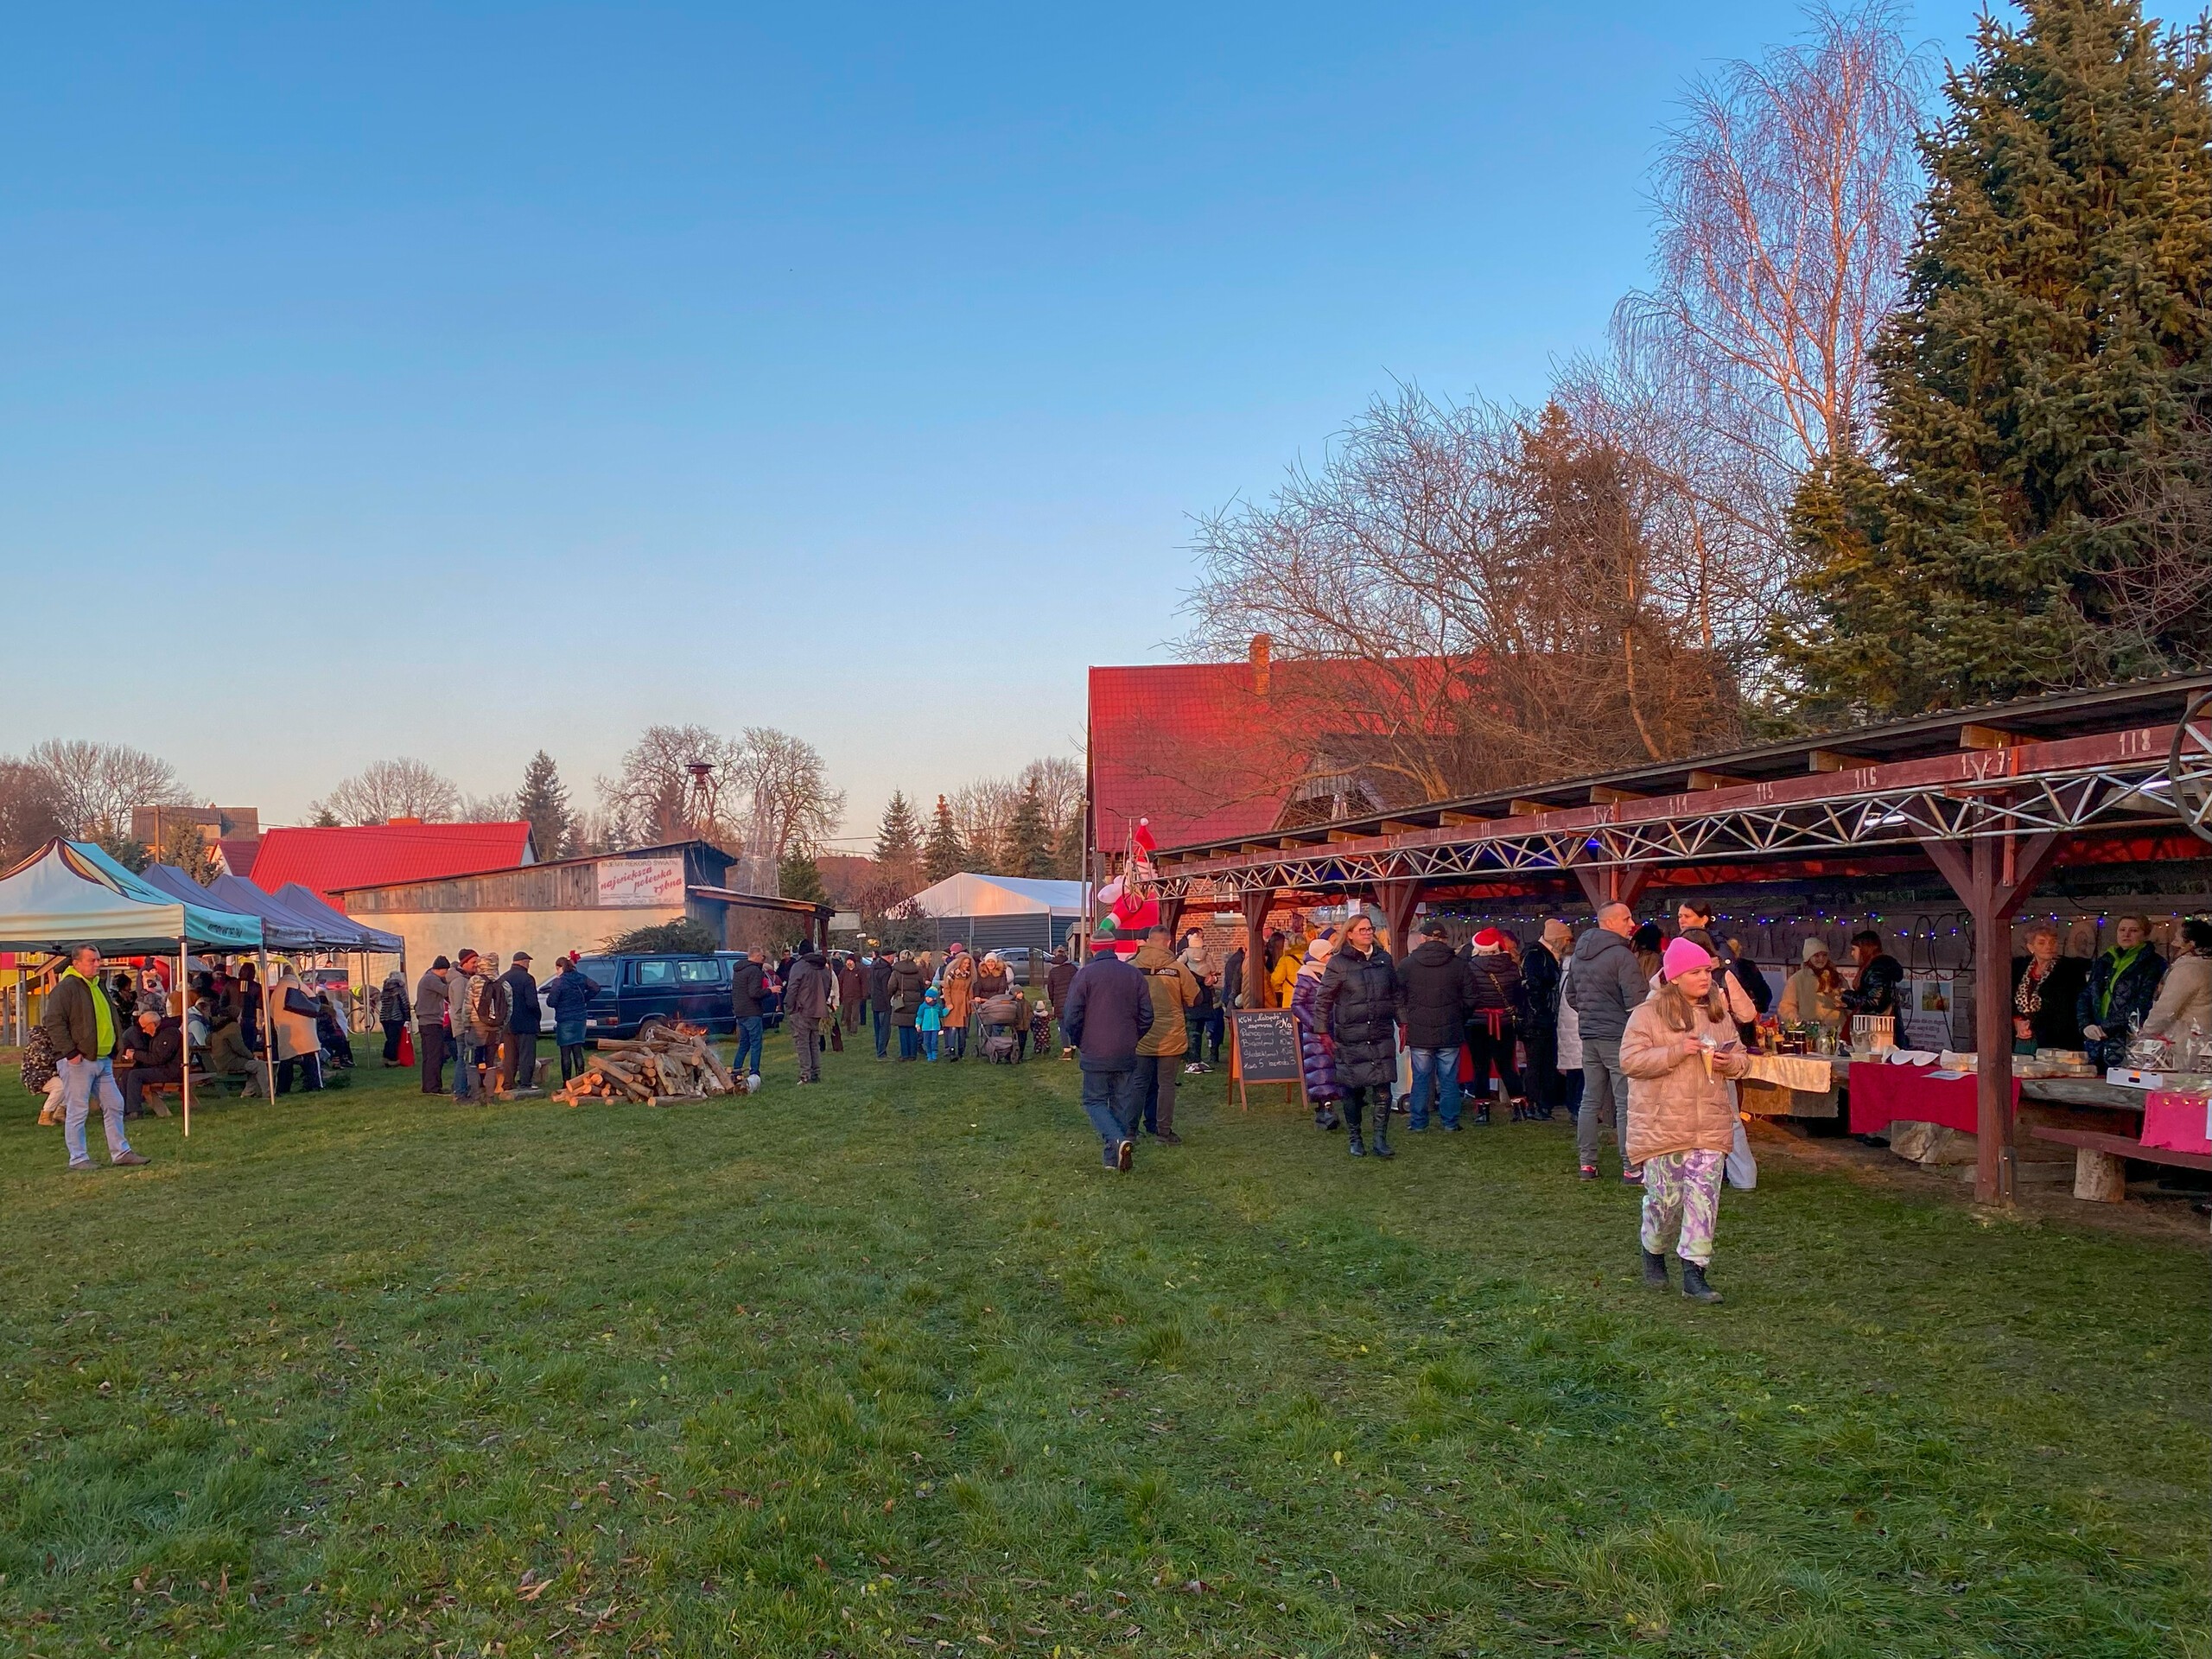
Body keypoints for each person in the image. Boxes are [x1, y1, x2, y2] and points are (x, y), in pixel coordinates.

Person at [1622, 938, 1750, 1303]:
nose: (1705, 978)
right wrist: (1676, 1051)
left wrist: (1731, 1063)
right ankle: (1653, 1249)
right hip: (1663, 1126)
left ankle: (1695, 1274)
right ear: (1675, 976)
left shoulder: (1718, 1014)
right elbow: (1630, 1061)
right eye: (1695, 972)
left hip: (1709, 1125)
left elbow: (1742, 1058)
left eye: (1707, 970)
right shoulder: (1647, 1014)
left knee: (1704, 1199)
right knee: (1665, 1201)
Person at [42, 944, 148, 1171]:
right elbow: (54, 1022)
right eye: (92, 960)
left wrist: (114, 1048)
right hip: (79, 1060)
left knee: (115, 1103)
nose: (98, 964)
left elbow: (108, 1017)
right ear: (76, 963)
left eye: (98, 959)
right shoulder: (67, 988)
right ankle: (78, 1158)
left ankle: (121, 1152)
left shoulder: (97, 985)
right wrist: (71, 1053)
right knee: (78, 1109)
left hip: (102, 1058)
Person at [1567, 901, 1650, 1183]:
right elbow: (1636, 1002)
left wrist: (1593, 1013)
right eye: (1627, 919)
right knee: (1626, 1103)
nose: (1632, 924)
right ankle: (1631, 1167)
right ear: (1610, 922)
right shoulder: (1621, 955)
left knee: (1590, 1100)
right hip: (1618, 1036)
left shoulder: (1579, 955)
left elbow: (1571, 996)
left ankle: (1587, 1164)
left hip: (1590, 1035)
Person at [1315, 914, 1406, 1159]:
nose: (1367, 933)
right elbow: (1323, 999)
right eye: (1362, 929)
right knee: (1352, 1090)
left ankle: (1380, 1139)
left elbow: (1396, 995)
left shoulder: (1384, 960)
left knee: (1383, 1087)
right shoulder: (1338, 963)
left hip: (1380, 1033)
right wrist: (1322, 1031)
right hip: (1351, 1036)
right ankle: (1355, 1138)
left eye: (1369, 929)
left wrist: (1403, 1022)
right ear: (1350, 934)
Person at [1062, 941, 1154, 1171]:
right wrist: (1133, 1037)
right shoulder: (1133, 974)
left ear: (1092, 948)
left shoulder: (1085, 975)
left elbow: (1071, 1015)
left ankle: (1117, 1140)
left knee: (1094, 1101)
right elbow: (1147, 1015)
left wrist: (1079, 1040)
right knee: (1121, 1102)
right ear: (1113, 948)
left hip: (1095, 1049)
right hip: (1125, 1050)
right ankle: (1112, 1159)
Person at [1397, 918, 1473, 1132]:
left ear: (1423, 938)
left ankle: (1418, 1123)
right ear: (1445, 939)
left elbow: (1397, 997)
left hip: (1419, 1030)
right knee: (1449, 1080)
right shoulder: (1459, 965)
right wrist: (1459, 1017)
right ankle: (1450, 1122)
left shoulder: (1407, 965)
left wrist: (1405, 1019)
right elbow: (1471, 998)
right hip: (1450, 1029)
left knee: (1421, 1079)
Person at [1131, 927, 1198, 1144]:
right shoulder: (1178, 969)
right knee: (1166, 1085)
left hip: (1141, 1035)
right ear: (1168, 943)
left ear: (1149, 940)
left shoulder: (1132, 967)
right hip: (1170, 1036)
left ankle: (1130, 1130)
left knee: (1139, 1083)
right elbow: (1195, 998)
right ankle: (1163, 1132)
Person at [2078, 915, 2166, 1071]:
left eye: (2134, 930)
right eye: (2122, 930)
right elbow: (2087, 994)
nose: (2126, 934)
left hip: (2128, 1038)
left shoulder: (2153, 964)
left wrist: (2107, 1027)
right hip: (2095, 1038)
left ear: (2145, 935)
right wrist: (2085, 1024)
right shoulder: (2106, 960)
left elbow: (2144, 1002)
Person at [1463, 928, 1525, 1125]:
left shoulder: (1469, 968)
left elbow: (1467, 997)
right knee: (1506, 1066)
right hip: (1504, 1022)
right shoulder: (1512, 967)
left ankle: (1483, 1112)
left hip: (1477, 1022)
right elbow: (1518, 996)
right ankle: (1519, 1108)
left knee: (1480, 1067)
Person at [1290, 931, 1342, 1130]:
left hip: (1333, 1028)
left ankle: (1327, 1109)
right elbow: (1297, 1004)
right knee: (1320, 1070)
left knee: (1330, 1070)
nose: (1331, 957)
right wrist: (1314, 1024)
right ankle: (1325, 1109)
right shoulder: (1307, 976)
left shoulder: (1333, 974)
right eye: (1328, 954)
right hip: (1315, 1032)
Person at [2009, 925, 2089, 1053]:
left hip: (2056, 1038)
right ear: (2031, 947)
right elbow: (2009, 999)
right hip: (2023, 1037)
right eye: (2042, 943)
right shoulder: (2019, 967)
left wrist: (2033, 1025)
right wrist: (2017, 1022)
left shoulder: (2069, 969)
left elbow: (2068, 1007)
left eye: (2052, 942)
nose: (2048, 946)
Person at [1521, 919, 1571, 1120]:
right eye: (1566, 939)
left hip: (1542, 1017)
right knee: (1537, 1064)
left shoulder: (1541, 955)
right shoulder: (1537, 955)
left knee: (1545, 1063)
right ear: (1557, 939)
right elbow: (1533, 987)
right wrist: (1540, 1013)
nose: (1568, 943)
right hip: (1537, 1020)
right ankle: (1535, 1105)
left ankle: (1542, 1104)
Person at [2140, 917, 2212, 1047]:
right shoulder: (2205, 966)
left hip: (2187, 1042)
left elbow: (2166, 1009)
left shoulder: (2188, 970)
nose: (2173, 944)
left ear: (2191, 944)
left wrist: (2147, 1032)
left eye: (2177, 939)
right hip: (2203, 1040)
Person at [543, 954, 601, 1083]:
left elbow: (551, 1002)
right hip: (580, 1018)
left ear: (560, 967)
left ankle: (567, 1082)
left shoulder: (559, 982)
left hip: (565, 1019)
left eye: (557, 969)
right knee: (577, 1051)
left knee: (565, 1053)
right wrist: (584, 998)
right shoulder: (581, 977)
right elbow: (596, 987)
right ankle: (580, 1081)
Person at [117, 1007, 183, 1117]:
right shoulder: (160, 1033)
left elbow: (158, 1058)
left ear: (152, 1025)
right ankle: (123, 1109)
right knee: (127, 1073)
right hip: (162, 1068)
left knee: (135, 1075)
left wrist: (135, 1054)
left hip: (171, 1071)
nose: (143, 1031)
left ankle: (135, 1111)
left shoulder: (169, 1034)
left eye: (144, 1027)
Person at [270, 969, 326, 1096]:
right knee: (311, 1056)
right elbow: (314, 1004)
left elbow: (271, 1011)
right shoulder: (299, 986)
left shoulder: (277, 991)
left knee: (286, 1060)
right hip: (304, 1029)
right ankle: (315, 1084)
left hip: (285, 1031)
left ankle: (283, 1088)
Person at [785, 948, 831, 1082]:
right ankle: (815, 1073)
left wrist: (790, 1006)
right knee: (814, 1043)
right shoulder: (823, 967)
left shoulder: (799, 967)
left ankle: (806, 1075)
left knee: (802, 1043)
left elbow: (792, 988)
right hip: (818, 1010)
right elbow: (828, 987)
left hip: (801, 1009)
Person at [1779, 938, 1845, 1031]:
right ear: (1808, 957)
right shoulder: (1797, 979)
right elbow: (1787, 1005)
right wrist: (1796, 1020)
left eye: (1824, 955)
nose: (1821, 959)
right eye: (1816, 956)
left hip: (1836, 1029)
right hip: (1809, 1030)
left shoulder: (1837, 977)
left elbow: (1848, 1003)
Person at [1841, 931, 1905, 1021]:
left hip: (1878, 1025)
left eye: (1854, 949)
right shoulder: (1875, 968)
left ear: (1864, 950)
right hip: (1877, 1023)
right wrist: (1848, 1003)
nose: (1852, 954)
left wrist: (1846, 995)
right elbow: (1871, 1000)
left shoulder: (1877, 969)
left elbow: (1874, 1002)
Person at [500, 951, 541, 1090]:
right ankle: (525, 1083)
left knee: (509, 1056)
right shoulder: (527, 979)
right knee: (526, 1055)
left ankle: (508, 1083)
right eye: (528, 963)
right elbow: (532, 1003)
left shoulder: (503, 978)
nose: (528, 965)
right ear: (524, 962)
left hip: (508, 1023)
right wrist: (537, 1016)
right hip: (526, 1022)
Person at [414, 955, 452, 1093]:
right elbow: (446, 991)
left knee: (429, 1056)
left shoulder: (428, 977)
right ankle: (433, 1087)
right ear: (442, 969)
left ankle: (429, 1085)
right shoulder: (432, 979)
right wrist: (455, 980)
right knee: (435, 1056)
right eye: (446, 971)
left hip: (426, 1022)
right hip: (431, 1023)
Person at [729, 950, 768, 1088]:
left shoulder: (738, 970)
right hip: (752, 1012)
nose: (763, 959)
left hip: (740, 1012)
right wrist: (770, 991)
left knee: (744, 1043)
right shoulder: (754, 970)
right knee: (756, 1043)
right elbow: (754, 993)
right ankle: (754, 1073)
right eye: (762, 956)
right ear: (756, 956)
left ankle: (736, 1070)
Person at [447, 951, 480, 1100]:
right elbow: (461, 1008)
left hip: (464, 1026)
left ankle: (460, 1087)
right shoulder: (460, 982)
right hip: (463, 1027)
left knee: (466, 1058)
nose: (476, 965)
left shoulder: (466, 979)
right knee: (464, 1059)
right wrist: (468, 1025)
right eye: (473, 962)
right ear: (464, 963)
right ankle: (460, 1091)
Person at [889, 950, 928, 1060]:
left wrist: (893, 995)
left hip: (901, 1002)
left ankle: (905, 1054)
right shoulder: (918, 971)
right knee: (913, 1028)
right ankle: (913, 1054)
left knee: (903, 1029)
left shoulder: (896, 972)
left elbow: (891, 986)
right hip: (915, 1002)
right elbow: (922, 987)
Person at [939, 944, 976, 1061]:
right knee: (953, 1028)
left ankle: (961, 1051)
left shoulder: (968, 976)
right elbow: (947, 989)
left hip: (964, 1004)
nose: (966, 966)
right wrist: (948, 1003)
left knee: (962, 1030)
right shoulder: (952, 974)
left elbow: (969, 991)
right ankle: (951, 1051)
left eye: (968, 964)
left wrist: (971, 1005)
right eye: (964, 963)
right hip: (954, 1004)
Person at [205, 1007, 255, 1085]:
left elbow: (207, 1040)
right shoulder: (233, 1026)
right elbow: (239, 1047)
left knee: (254, 1065)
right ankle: (263, 1090)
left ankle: (249, 1090)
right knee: (259, 1065)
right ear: (235, 1016)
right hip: (229, 1062)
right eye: (240, 1016)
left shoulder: (218, 1026)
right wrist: (251, 1056)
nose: (241, 1018)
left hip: (217, 1062)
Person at [1045, 948, 1077, 1056]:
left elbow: (1050, 989)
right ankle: (1073, 1045)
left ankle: (1066, 1050)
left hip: (1059, 1002)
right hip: (1073, 1001)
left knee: (1062, 1026)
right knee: (1073, 1024)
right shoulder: (1073, 969)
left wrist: (1052, 1003)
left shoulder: (1053, 972)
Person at [377, 968, 411, 1065]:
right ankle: (392, 1059)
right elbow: (405, 1004)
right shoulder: (400, 989)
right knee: (395, 1039)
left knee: (389, 1038)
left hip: (384, 1017)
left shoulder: (384, 989)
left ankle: (386, 1057)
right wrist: (407, 1017)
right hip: (396, 1017)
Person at [868, 949, 897, 1059]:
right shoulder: (886, 970)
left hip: (875, 1000)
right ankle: (882, 1053)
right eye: (893, 956)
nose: (894, 959)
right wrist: (889, 1000)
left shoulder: (874, 966)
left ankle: (879, 1050)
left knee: (877, 1029)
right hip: (884, 1002)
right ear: (889, 957)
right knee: (885, 1029)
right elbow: (887, 988)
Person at [836, 952, 868, 1039]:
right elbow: (840, 982)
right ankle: (848, 1029)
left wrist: (864, 994)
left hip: (856, 997)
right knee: (847, 1014)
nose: (849, 963)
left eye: (851, 961)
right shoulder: (844, 971)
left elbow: (864, 983)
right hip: (846, 996)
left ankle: (854, 1030)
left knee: (855, 1015)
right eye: (848, 961)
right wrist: (840, 994)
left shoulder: (859, 971)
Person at [918, 983, 945, 1060]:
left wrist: (947, 1010)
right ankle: (929, 1054)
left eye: (930, 997)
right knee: (927, 1042)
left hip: (935, 1027)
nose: (927, 999)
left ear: (934, 998)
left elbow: (941, 1014)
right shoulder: (923, 1006)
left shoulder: (937, 1006)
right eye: (927, 997)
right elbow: (919, 1016)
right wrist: (918, 1024)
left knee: (934, 1041)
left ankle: (934, 1054)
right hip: (926, 1027)